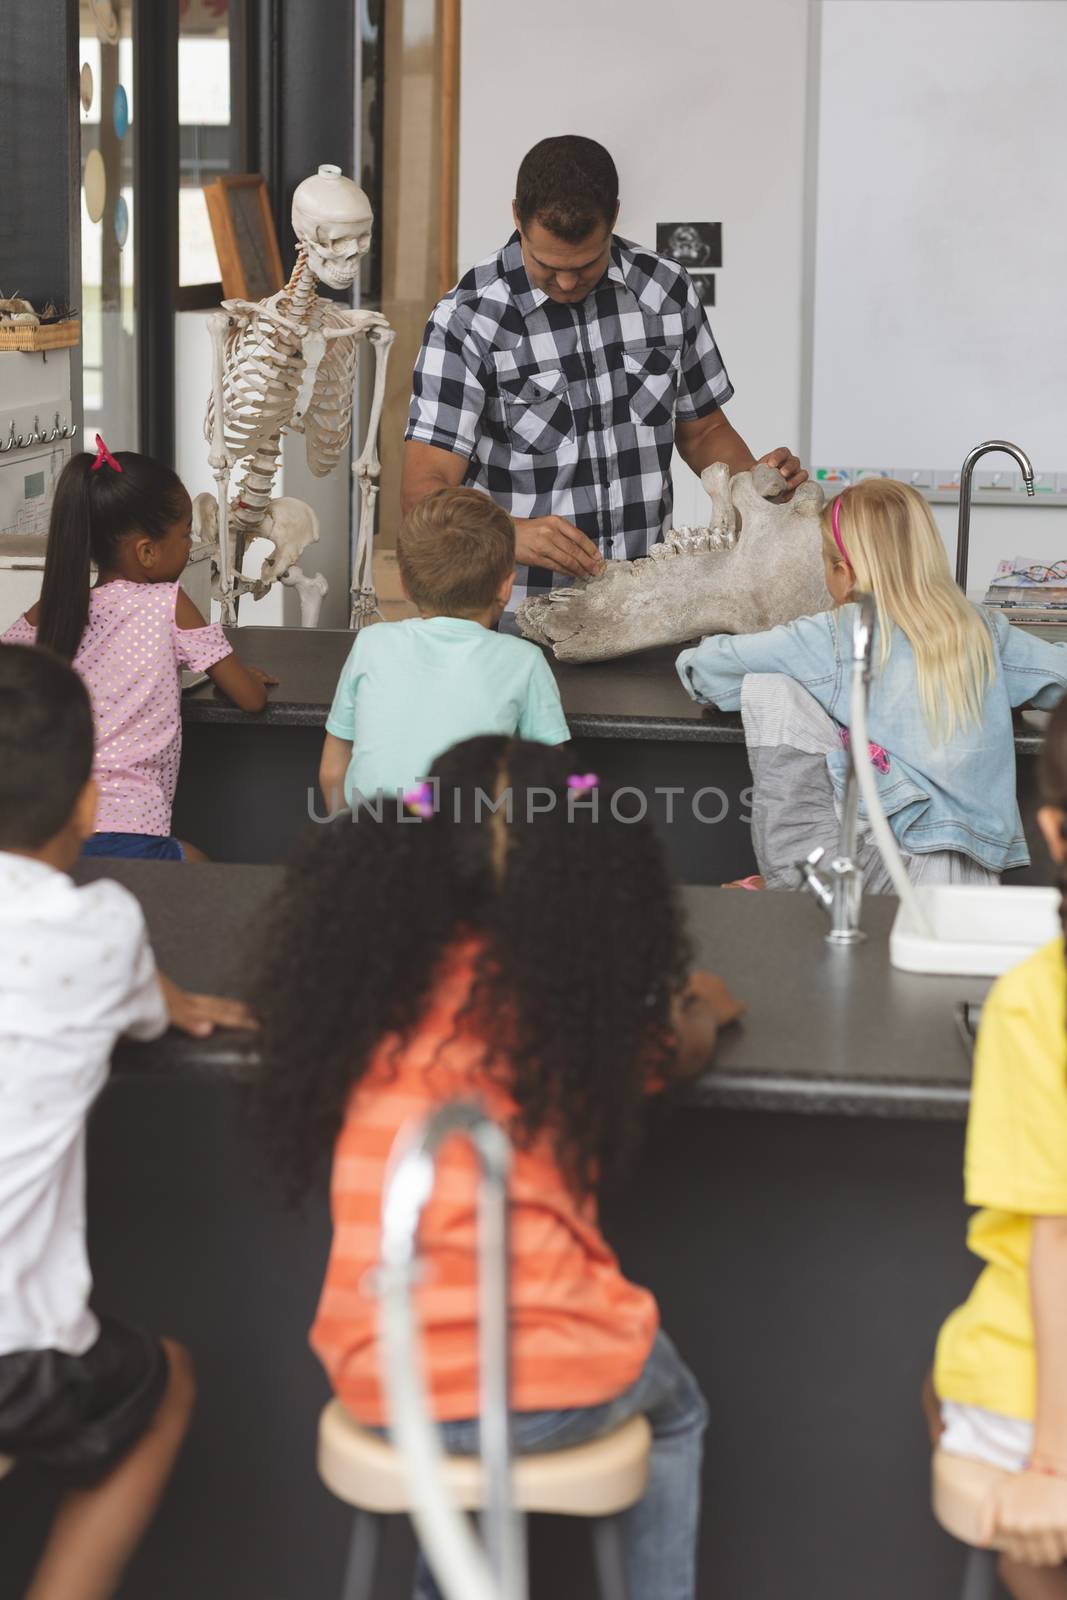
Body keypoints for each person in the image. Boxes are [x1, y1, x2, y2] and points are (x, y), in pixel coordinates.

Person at [252, 735, 744, 1600]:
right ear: (583, 867)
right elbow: (686, 1042)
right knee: (679, 1416)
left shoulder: (361, 997)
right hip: (562, 1373)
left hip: (381, 1373)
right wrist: (700, 1001)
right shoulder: (581, 1016)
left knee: (456, 1467)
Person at [0, 642, 254, 1600]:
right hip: (16, 1360)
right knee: (166, 1382)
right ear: (88, 806)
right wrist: (166, 989)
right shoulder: (102, 927)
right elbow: (148, 1006)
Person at [401, 134, 806, 620]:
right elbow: (424, 492)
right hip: (521, 619)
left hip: (649, 608)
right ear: (516, 216)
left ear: (613, 216)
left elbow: (705, 432)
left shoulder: (666, 291)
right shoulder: (467, 319)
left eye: (586, 264)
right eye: (547, 266)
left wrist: (759, 494)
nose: (568, 283)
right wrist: (510, 534)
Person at [676, 477, 1067, 889]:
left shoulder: (833, 634)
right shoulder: (983, 630)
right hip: (978, 873)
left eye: (826, 562)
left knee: (770, 687)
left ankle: (791, 885)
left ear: (844, 573)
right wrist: (994, 692)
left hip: (885, 867)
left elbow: (702, 671)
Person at [925, 693, 1067, 1598]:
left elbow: (1056, 1238)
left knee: (953, 1383)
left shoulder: (1036, 1002)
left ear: (1052, 830)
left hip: (1035, 1393)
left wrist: (1052, 1461)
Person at [1, 437, 276, 861]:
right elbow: (251, 698)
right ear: (146, 552)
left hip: (55, 828)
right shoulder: (169, 603)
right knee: (204, 871)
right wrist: (238, 675)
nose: (190, 544)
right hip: (135, 825)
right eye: (185, 534)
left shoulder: (55, 608)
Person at [319, 488, 569, 810]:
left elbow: (332, 770)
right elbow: (550, 781)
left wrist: (346, 841)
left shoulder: (370, 643)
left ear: (404, 585)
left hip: (370, 843)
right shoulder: (526, 661)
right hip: (469, 850)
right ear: (506, 587)